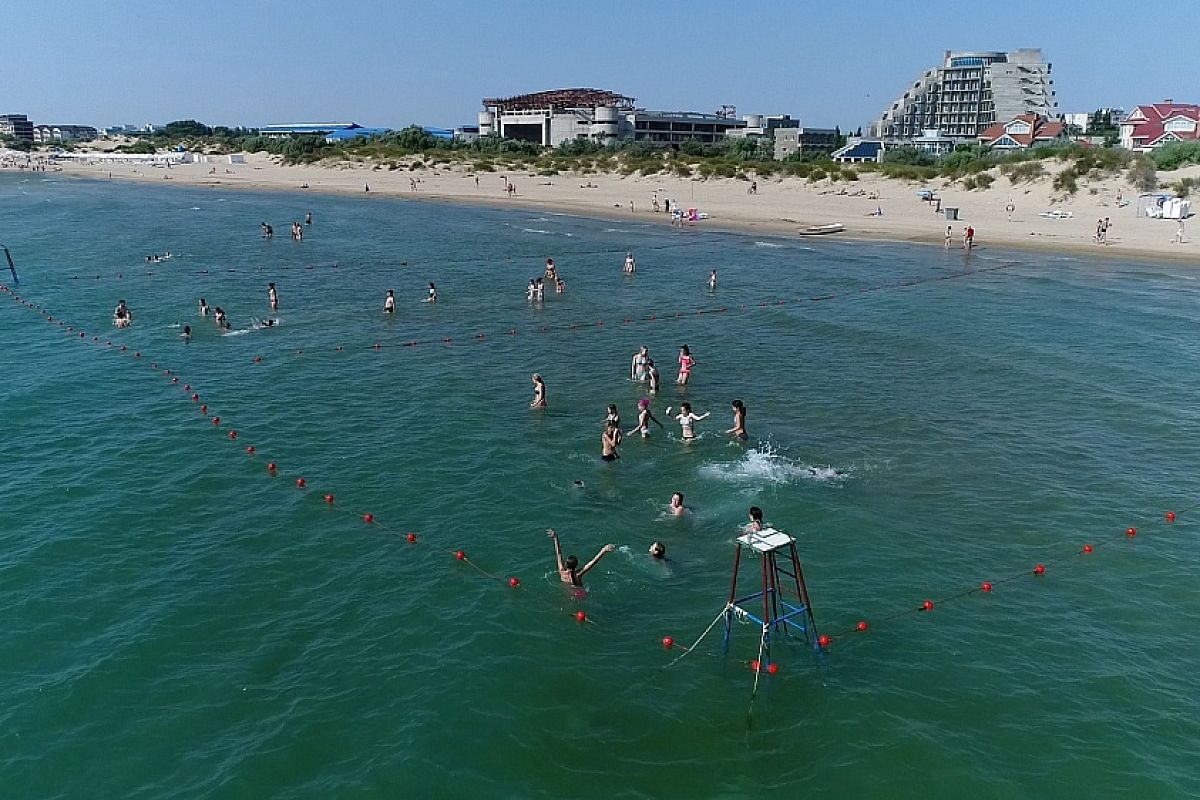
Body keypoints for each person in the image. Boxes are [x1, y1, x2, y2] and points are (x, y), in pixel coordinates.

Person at [547, 528, 615, 589]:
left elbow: (558, 554)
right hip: (580, 594)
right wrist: (604, 550)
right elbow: (593, 562)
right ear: (576, 565)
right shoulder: (577, 575)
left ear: (566, 565)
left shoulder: (562, 572)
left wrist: (555, 538)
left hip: (569, 593)